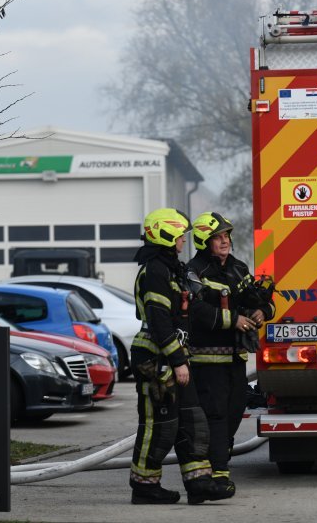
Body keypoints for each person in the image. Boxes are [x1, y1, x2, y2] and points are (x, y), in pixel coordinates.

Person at [128, 207, 235, 505]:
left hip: (173, 354)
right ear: (167, 234)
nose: (184, 241)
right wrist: (177, 361)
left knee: (192, 421)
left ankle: (199, 482)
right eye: (180, 236)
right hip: (156, 359)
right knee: (159, 425)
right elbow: (160, 320)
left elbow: (196, 293)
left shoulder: (170, 267)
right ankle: (145, 486)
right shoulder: (155, 272)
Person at [187, 211, 275, 490]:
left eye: (226, 236)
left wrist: (263, 311)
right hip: (207, 358)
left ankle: (220, 460)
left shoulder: (238, 268)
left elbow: (259, 301)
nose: (224, 241)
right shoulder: (193, 272)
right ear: (204, 241)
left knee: (235, 410)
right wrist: (233, 320)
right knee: (216, 414)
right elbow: (196, 311)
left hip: (235, 357)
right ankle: (219, 471)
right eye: (218, 237)